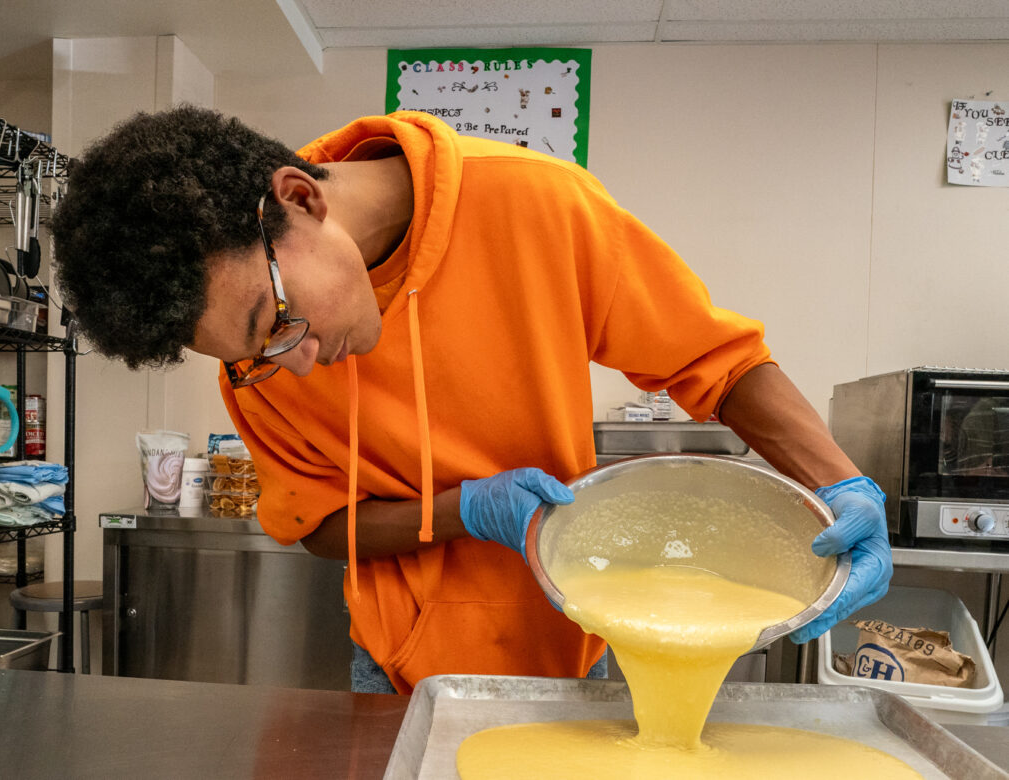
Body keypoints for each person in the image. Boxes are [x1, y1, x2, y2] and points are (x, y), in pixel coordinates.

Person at [51, 106, 891, 694]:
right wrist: (463, 511)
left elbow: (717, 361)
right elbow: (320, 525)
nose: (295, 362)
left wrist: (840, 481)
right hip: (399, 672)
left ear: (300, 199)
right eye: (256, 354)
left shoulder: (535, 204)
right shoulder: (259, 369)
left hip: (579, 644)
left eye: (277, 320)